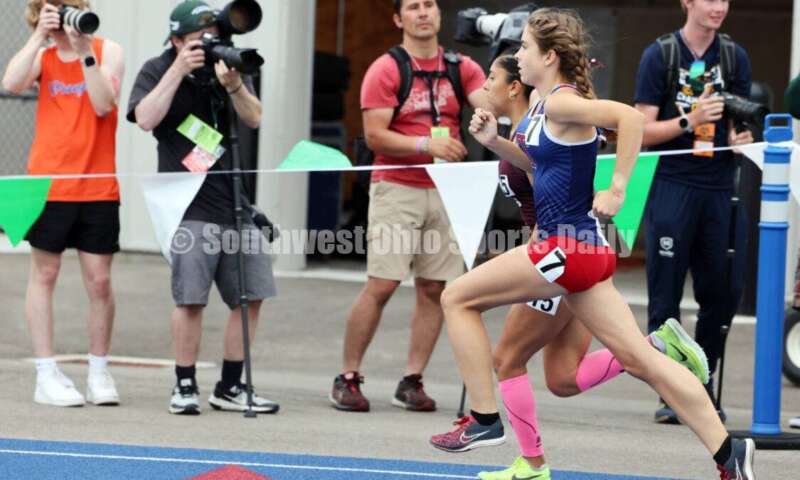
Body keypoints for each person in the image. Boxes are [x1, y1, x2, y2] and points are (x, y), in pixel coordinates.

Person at [429, 8, 756, 479]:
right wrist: (495, 141)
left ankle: (483, 419)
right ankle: (730, 455)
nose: (517, 55)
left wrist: (619, 187)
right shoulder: (543, 107)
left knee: (455, 297)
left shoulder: (562, 103)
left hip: (566, 248)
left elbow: (630, 119)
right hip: (582, 254)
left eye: (524, 48)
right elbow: (542, 169)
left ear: (549, 56)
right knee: (639, 360)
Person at [329, 0, 486, 412]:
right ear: (399, 19)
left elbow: (491, 104)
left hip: (448, 188)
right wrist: (424, 144)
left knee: (435, 288)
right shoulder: (385, 68)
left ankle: (412, 379)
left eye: (430, 5)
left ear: (439, 15)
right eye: (413, 7)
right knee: (381, 283)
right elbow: (375, 135)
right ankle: (347, 376)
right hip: (397, 185)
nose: (423, 13)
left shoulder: (461, 66)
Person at [127, 0, 278, 416]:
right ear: (176, 40)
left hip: (236, 204)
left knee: (251, 298)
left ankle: (230, 387)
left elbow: (254, 118)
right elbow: (144, 118)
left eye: (213, 39)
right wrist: (179, 69)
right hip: (187, 207)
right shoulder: (157, 68)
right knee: (191, 299)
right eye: (197, 41)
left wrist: (232, 85)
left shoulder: (226, 66)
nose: (208, 47)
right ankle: (185, 384)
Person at [634, 0, 753, 424]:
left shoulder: (734, 55)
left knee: (722, 295)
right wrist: (691, 119)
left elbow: (739, 121)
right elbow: (641, 130)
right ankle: (672, 392)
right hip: (672, 184)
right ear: (687, 2)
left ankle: (699, 384)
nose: (718, 6)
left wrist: (741, 137)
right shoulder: (660, 54)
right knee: (664, 297)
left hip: (720, 186)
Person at [2, 0, 124, 408]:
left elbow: (104, 103)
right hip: (49, 185)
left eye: (72, 6)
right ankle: (45, 372)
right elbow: (11, 83)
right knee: (45, 274)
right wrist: (40, 37)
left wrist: (84, 47)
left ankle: (99, 370)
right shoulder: (42, 55)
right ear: (40, 14)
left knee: (100, 281)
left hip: (97, 185)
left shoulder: (108, 50)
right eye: (55, 9)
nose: (65, 15)